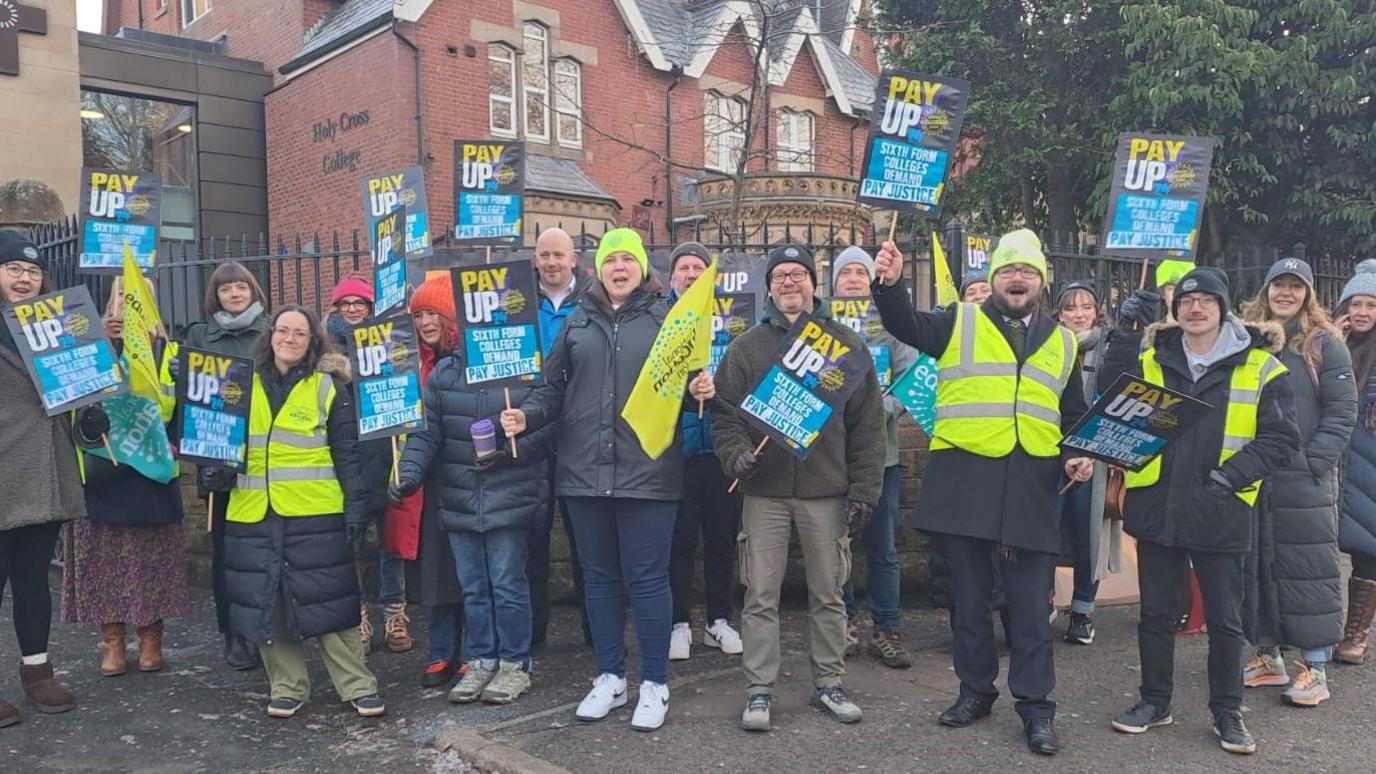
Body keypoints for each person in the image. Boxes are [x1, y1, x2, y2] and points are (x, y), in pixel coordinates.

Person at [871, 230, 1093, 756]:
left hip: (1033, 484)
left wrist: (1078, 453)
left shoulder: (1064, 341)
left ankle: (1037, 709)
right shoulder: (958, 320)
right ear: (993, 279)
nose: (1018, 280)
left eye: (1028, 272)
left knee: (1029, 608)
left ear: (1042, 280)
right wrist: (891, 283)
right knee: (968, 603)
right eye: (1008, 271)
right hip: (965, 479)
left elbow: (1073, 411)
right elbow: (905, 324)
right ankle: (975, 693)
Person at [500, 228, 714, 732]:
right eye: (611, 259)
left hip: (650, 472)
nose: (620, 267)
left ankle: (655, 683)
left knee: (647, 580)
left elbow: (687, 391)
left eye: (629, 259)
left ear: (642, 268)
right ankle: (611, 677)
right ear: (598, 269)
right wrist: (526, 418)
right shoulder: (576, 322)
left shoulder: (668, 320)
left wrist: (700, 386)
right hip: (583, 473)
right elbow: (550, 391)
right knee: (597, 580)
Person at [1101, 268, 1297, 755]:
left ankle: (1227, 712)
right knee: (1156, 615)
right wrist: (1123, 337)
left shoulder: (1260, 366)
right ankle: (1154, 702)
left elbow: (1282, 439)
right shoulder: (1150, 358)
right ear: (1175, 308)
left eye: (1208, 300)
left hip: (1221, 507)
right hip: (1158, 504)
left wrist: (1230, 478)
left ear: (1223, 307)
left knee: (1227, 622)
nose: (1196, 308)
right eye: (1187, 300)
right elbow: (1111, 404)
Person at [712, 244, 884, 732]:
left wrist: (864, 492)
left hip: (827, 492)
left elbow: (868, 429)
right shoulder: (746, 348)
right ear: (768, 287)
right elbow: (725, 417)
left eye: (798, 274)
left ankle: (829, 683)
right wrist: (734, 455)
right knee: (760, 594)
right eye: (780, 276)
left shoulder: (846, 346)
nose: (789, 282)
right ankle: (759, 691)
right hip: (763, 493)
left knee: (829, 593)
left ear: (814, 282)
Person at [205, 304, 384, 718]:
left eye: (299, 333)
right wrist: (212, 473)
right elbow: (218, 444)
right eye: (282, 331)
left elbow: (348, 455)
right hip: (253, 513)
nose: (289, 339)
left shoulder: (328, 388)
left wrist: (358, 509)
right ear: (270, 336)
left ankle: (357, 685)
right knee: (270, 603)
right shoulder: (236, 384)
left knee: (330, 602)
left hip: (315, 513)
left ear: (311, 341)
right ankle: (287, 686)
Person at [391, 320, 559, 705]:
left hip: (510, 495)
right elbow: (425, 432)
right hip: (459, 496)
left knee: (507, 584)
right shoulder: (445, 374)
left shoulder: (526, 367)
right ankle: (482, 659)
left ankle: (515, 664)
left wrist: (516, 445)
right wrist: (410, 473)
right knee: (473, 587)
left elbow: (549, 428)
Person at [1238, 258, 1355, 706]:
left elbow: (1343, 411)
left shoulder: (1325, 344)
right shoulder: (1249, 339)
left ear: (1308, 293)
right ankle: (1269, 656)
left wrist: (1314, 463)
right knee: (1257, 566)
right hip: (1256, 472)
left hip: (1304, 478)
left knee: (1309, 572)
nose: (1285, 293)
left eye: (1295, 286)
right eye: (1278, 285)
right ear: (1265, 289)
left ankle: (1315, 666)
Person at [63, 277, 188, 677]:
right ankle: (112, 642)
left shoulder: (169, 349)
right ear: (110, 302)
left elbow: (187, 411)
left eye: (141, 298)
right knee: (106, 565)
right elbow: (67, 413)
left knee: (151, 563)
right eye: (124, 297)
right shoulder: (86, 349)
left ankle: (151, 640)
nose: (130, 305)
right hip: (104, 471)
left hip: (153, 472)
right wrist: (104, 344)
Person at [0, 231, 82, 727]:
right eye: (14, 269)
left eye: (32, 271)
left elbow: (81, 378)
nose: (25, 278)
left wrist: (91, 414)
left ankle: (38, 673)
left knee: (33, 578)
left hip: (44, 466)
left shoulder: (59, 323)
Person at [181, 261, 269, 670]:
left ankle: (264, 630)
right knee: (225, 556)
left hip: (266, 454)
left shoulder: (271, 332)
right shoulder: (198, 335)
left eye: (240, 287)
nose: (234, 294)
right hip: (216, 453)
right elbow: (181, 392)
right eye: (225, 289)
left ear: (253, 291)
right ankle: (233, 634)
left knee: (262, 552)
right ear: (214, 297)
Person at [833, 246, 916, 668]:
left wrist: (873, 412)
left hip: (882, 456)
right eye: (844, 272)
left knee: (883, 549)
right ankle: (843, 625)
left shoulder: (891, 325)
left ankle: (887, 628)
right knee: (838, 548)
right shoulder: (824, 325)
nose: (852, 278)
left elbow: (909, 379)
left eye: (859, 272)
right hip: (833, 460)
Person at [666, 241, 743, 662]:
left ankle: (718, 620)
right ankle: (679, 622)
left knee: (720, 539)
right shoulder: (660, 318)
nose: (692, 274)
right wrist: (686, 392)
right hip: (676, 450)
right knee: (678, 542)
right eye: (684, 267)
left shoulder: (732, 319)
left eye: (699, 267)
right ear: (672, 276)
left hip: (721, 450)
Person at [323, 276, 407, 655]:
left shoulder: (390, 344)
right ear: (337, 309)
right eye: (346, 303)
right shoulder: (322, 355)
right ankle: (358, 617)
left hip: (385, 455)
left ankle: (395, 614)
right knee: (350, 544)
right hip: (344, 459)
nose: (354, 309)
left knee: (392, 544)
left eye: (361, 303)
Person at [386, 276, 464, 685]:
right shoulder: (406, 360)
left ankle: (468, 651)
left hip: (464, 473)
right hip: (423, 478)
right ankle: (440, 651)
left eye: (433, 313)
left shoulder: (465, 359)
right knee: (433, 569)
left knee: (465, 566)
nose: (425, 323)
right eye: (418, 315)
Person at [528, 227, 592, 647]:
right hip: (531, 428)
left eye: (559, 255)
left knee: (586, 535)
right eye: (544, 255)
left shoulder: (591, 301)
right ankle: (533, 631)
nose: (551, 262)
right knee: (531, 536)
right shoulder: (514, 302)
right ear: (536, 260)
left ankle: (594, 627)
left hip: (579, 430)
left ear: (573, 259)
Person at [1051, 280, 1123, 645]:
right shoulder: (1048, 346)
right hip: (1052, 451)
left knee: (1087, 533)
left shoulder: (1110, 349)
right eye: (1070, 308)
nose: (1079, 314)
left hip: (1094, 456)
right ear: (1059, 314)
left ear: (1097, 311)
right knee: (1045, 529)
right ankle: (1043, 598)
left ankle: (1083, 610)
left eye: (1085, 307)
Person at [1334, 259, 1376, 665]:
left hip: (1371, 465)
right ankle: (1320, 627)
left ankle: (1357, 631)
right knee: (1321, 547)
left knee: (1369, 548)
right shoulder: (1330, 343)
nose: (1362, 312)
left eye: (1371, 305)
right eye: (1356, 303)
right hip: (1333, 461)